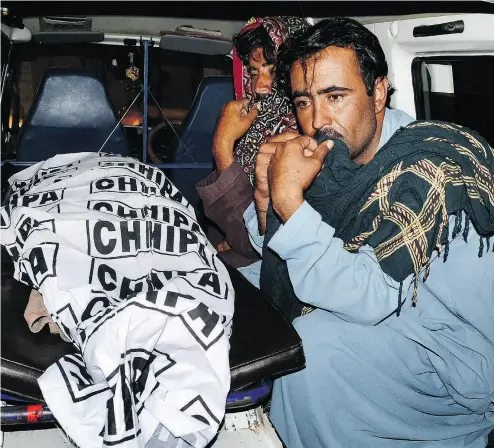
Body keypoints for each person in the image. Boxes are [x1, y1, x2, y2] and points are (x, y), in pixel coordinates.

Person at [244, 18, 494, 447]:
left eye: (335, 96)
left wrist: (289, 198)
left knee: (311, 346)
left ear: (378, 92)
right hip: (398, 319)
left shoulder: (428, 163)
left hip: (457, 364)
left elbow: (370, 293)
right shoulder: (343, 159)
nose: (318, 120)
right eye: (304, 102)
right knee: (235, 287)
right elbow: (287, 249)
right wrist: (267, 196)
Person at [196, 16, 309, 271]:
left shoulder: (301, 139)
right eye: (254, 71)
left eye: (273, 69)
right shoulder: (255, 124)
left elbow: (258, 242)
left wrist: (222, 148)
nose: (259, 86)